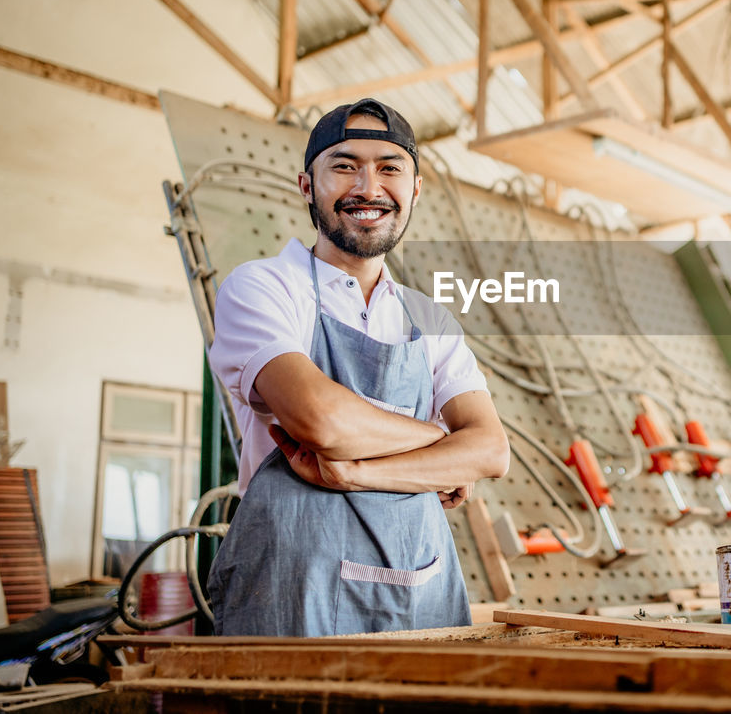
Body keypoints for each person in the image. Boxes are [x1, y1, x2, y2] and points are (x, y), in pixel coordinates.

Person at [206, 98, 509, 636]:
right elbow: (319, 420)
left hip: (420, 595)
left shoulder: (428, 318)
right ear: (307, 186)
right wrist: (440, 443)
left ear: (414, 190)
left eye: (390, 168)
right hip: (293, 591)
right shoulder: (265, 289)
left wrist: (356, 471)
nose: (369, 188)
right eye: (345, 166)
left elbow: (490, 450)